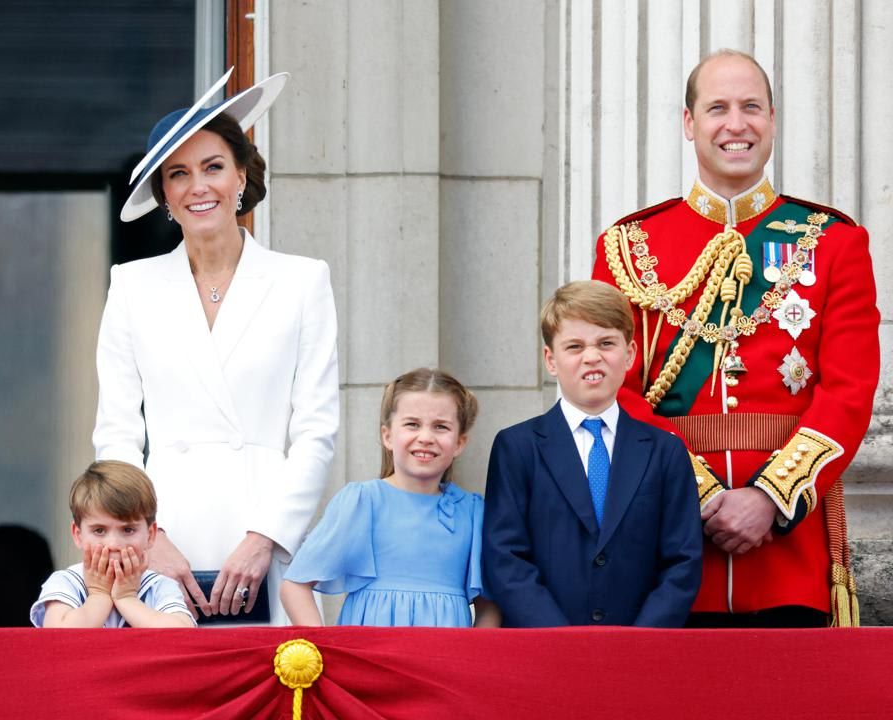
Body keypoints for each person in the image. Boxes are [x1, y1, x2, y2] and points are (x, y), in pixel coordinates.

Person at [591, 49, 879, 627]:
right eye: (717, 108)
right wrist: (698, 495)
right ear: (689, 122)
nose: (736, 124)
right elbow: (608, 389)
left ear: (772, 119)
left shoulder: (833, 242)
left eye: (751, 107)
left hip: (787, 554)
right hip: (669, 546)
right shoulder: (627, 246)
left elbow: (848, 392)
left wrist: (770, 500)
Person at [96, 68, 339, 625]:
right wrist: (145, 537)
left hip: (265, 531)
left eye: (212, 167)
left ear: (240, 176)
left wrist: (266, 538)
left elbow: (315, 430)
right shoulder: (131, 285)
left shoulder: (302, 281)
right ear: (164, 194)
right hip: (162, 533)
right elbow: (116, 430)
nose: (198, 187)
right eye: (178, 174)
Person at [482, 281, 702, 627]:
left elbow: (682, 561)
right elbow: (505, 556)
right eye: (574, 346)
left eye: (606, 343)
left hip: (640, 650)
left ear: (629, 354)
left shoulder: (665, 451)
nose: (592, 356)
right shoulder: (518, 447)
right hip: (544, 650)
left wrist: (640, 640)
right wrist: (561, 641)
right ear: (550, 360)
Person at [281, 368, 498, 628]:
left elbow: (490, 607)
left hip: (443, 661)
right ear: (387, 436)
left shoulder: (473, 511)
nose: (426, 437)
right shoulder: (362, 502)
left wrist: (468, 661)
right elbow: (294, 585)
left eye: (440, 427)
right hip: (370, 660)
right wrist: (326, 653)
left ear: (460, 442)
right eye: (412, 424)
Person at [30, 461, 194, 628]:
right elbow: (57, 635)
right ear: (78, 535)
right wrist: (98, 595)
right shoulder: (66, 582)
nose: (114, 544)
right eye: (99, 531)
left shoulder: (159, 586)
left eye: (128, 529)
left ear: (150, 534)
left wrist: (127, 598)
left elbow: (182, 632)